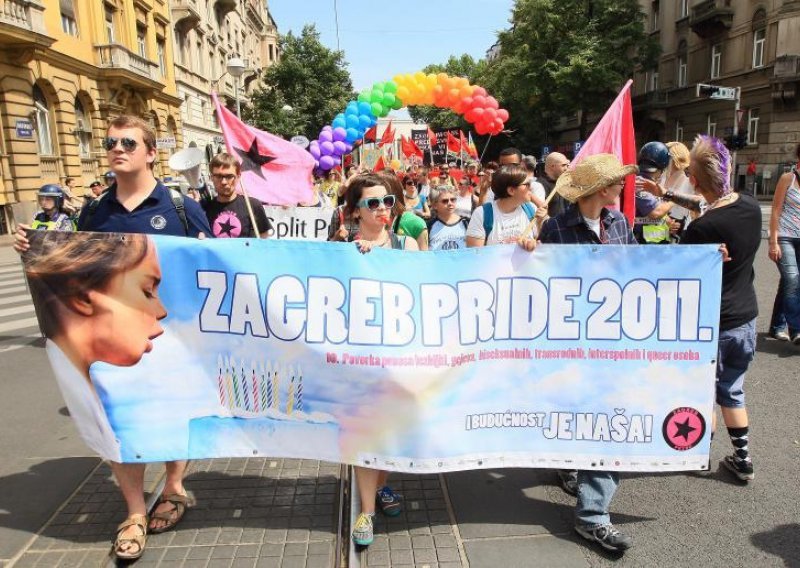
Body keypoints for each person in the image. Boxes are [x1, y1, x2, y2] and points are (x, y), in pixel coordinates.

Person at [14, 115, 211, 561]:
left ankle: (175, 486)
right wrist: (35, 250)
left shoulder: (179, 207)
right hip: (116, 340)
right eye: (110, 143)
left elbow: (213, 265)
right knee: (120, 420)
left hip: (171, 334)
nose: (117, 148)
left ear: (149, 152)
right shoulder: (95, 211)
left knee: (172, 414)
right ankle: (135, 512)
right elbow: (73, 269)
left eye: (127, 142)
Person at [539, 153, 638, 553]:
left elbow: (641, 269)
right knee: (573, 410)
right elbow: (537, 281)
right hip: (570, 342)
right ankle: (567, 462)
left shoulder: (621, 224)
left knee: (611, 417)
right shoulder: (556, 228)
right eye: (617, 182)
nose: (622, 187)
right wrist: (526, 250)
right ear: (600, 189)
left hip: (614, 342)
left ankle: (592, 514)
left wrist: (703, 259)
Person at [341, 173, 417, 547]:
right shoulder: (341, 248)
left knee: (390, 434)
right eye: (373, 204)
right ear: (356, 211)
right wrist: (354, 260)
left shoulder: (407, 245)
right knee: (366, 433)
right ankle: (366, 510)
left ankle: (383, 487)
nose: (383, 209)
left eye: (387, 202)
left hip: (401, 358)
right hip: (360, 359)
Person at [681, 135, 760, 482]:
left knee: (704, 391)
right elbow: (717, 208)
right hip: (746, 316)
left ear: (695, 181)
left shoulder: (702, 228)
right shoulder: (751, 206)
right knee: (733, 389)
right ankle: (743, 458)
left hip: (713, 321)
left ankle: (701, 455)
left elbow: (681, 272)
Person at [767, 143, 800, 343]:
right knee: (793, 279)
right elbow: (776, 210)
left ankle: (777, 326)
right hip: (785, 236)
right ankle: (796, 328)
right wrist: (773, 241)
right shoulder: (788, 179)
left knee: (788, 282)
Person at [466, 164, 541, 247]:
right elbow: (475, 254)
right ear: (511, 190)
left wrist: (533, 244)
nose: (531, 187)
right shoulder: (482, 214)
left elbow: (539, 243)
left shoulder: (530, 209)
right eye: (527, 184)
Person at [203, 153, 272, 238]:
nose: (224, 182)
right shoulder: (204, 208)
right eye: (218, 176)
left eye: (229, 176)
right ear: (211, 178)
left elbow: (264, 238)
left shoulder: (253, 205)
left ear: (238, 177)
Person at [382, 172, 429, 251]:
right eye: (410, 183)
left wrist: (419, 213)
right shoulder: (370, 222)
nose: (412, 185)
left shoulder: (417, 223)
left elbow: (424, 259)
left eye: (414, 183)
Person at [427, 186, 469, 251]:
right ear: (435, 205)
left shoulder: (466, 222)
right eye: (445, 201)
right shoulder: (429, 226)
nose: (450, 203)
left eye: (453, 200)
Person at [540, 152, 571, 217]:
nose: (566, 168)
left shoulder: (564, 182)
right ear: (552, 166)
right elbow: (539, 212)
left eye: (567, 165)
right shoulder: (540, 185)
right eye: (563, 165)